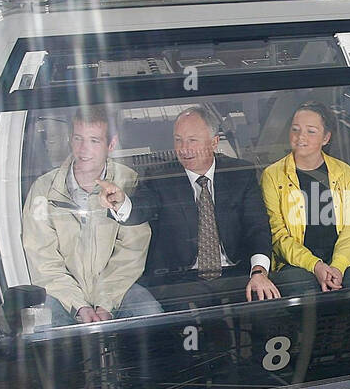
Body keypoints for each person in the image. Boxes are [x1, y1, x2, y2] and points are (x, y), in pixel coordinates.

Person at [113, 106, 279, 305]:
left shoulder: (240, 173)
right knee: (187, 323)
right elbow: (141, 207)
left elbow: (257, 227)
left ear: (214, 142)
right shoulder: (161, 177)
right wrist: (121, 202)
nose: (184, 148)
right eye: (178, 139)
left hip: (235, 271)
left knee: (265, 306)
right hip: (181, 278)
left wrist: (259, 272)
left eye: (192, 140)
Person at [22, 105, 162, 326]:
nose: (84, 149)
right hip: (61, 295)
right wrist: (79, 305)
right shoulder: (44, 189)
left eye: (94, 141)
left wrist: (105, 303)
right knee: (42, 331)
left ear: (111, 144)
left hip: (118, 291)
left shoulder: (128, 182)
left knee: (151, 314)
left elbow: (132, 252)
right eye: (78, 139)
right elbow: (43, 258)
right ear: (70, 138)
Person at [260, 102, 350, 296]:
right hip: (296, 261)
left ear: (326, 138)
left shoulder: (345, 173)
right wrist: (315, 265)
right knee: (300, 290)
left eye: (311, 131)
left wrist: (337, 266)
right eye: (295, 129)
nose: (300, 137)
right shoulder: (272, 175)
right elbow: (278, 235)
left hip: (342, 256)